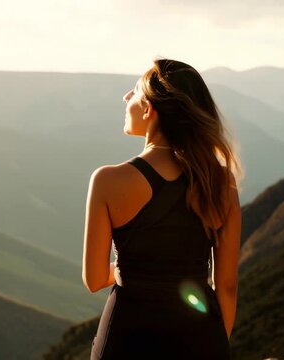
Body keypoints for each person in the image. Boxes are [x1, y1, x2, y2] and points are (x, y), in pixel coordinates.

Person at [82, 58, 242, 359]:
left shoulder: (107, 180)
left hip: (126, 337)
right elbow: (228, 286)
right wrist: (215, 346)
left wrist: (133, 267)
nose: (125, 97)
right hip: (200, 337)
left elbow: (93, 279)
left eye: (133, 91)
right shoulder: (220, 183)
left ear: (148, 109)